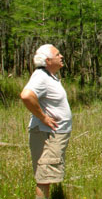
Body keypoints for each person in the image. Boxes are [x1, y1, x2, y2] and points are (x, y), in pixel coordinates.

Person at [20, 44, 72, 199]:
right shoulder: (41, 76)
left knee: (46, 177)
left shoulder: (49, 76)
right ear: (48, 60)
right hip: (47, 135)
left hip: (52, 135)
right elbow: (26, 95)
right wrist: (43, 117)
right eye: (58, 54)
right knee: (44, 178)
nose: (61, 56)